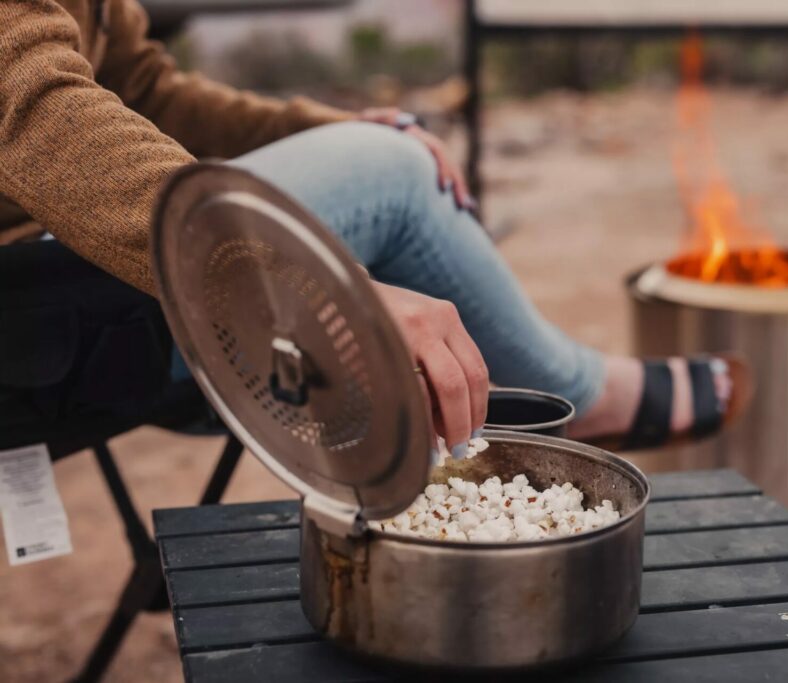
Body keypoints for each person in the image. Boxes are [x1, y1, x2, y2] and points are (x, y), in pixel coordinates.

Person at [0, 0, 750, 455]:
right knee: (389, 179)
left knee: (383, 158)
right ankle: (576, 402)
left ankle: (508, 427)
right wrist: (324, 278)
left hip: (68, 283)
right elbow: (36, 115)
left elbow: (142, 89)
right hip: (30, 324)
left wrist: (329, 129)